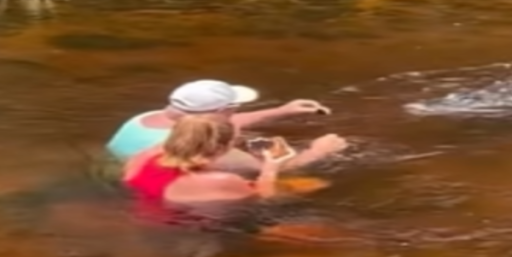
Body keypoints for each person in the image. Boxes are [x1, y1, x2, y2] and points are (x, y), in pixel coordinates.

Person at [124, 114, 348, 244]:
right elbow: (266, 198)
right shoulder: (221, 181)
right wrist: (272, 165)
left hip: (148, 215)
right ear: (222, 148)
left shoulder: (145, 155)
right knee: (333, 235)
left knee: (312, 184)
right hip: (195, 228)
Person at [106, 79, 342, 171]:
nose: (236, 111)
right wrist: (319, 150)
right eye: (234, 107)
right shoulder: (204, 146)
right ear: (221, 112)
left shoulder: (147, 117)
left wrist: (282, 111)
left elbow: (220, 123)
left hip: (124, 176)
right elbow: (277, 169)